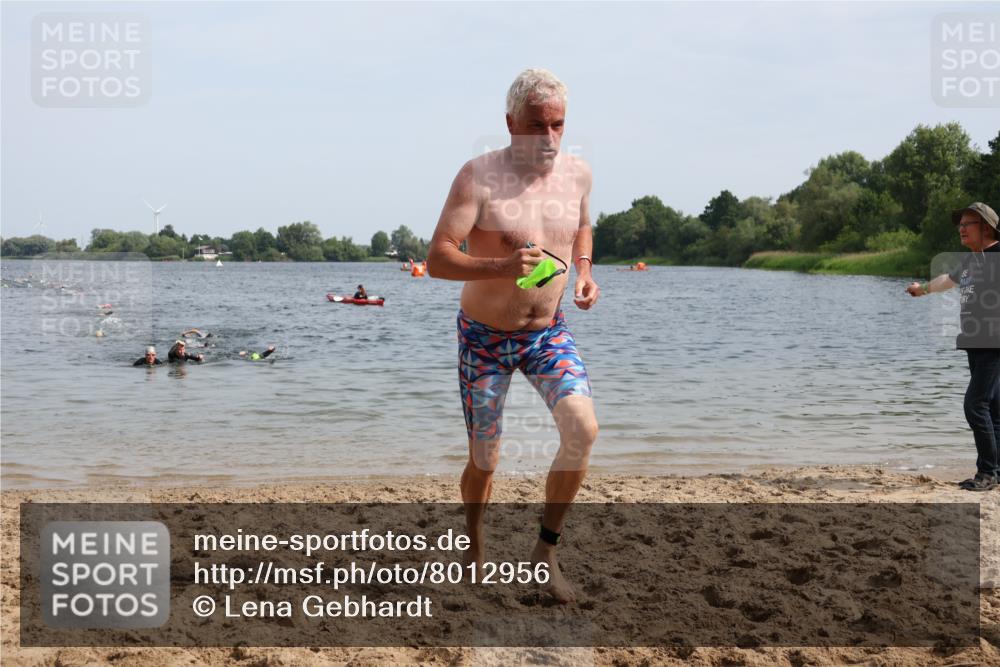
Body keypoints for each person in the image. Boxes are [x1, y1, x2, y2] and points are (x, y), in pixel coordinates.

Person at [426, 68, 600, 602]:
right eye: (535, 126)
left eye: (557, 125)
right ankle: (474, 543)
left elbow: (583, 226)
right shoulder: (477, 178)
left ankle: (545, 553)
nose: (548, 138)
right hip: (484, 338)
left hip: (547, 333)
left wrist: (586, 272)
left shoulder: (577, 175)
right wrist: (501, 265)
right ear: (509, 123)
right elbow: (437, 259)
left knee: (583, 431)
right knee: (486, 458)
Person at [907, 202, 1000, 491]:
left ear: (985, 227)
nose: (961, 229)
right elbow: (948, 280)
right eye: (959, 224)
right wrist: (923, 289)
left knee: (975, 405)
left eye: (967, 224)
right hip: (976, 344)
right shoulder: (971, 260)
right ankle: (995, 472)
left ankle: (986, 473)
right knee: (993, 410)